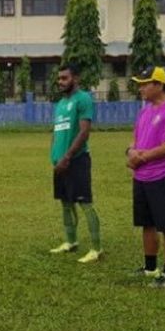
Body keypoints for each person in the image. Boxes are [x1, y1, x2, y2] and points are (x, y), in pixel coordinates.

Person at [127, 66, 165, 288]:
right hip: (141, 177)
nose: (141, 88)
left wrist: (140, 158)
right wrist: (131, 152)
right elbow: (135, 140)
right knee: (147, 224)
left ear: (159, 84)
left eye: (145, 83)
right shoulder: (145, 111)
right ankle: (150, 267)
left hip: (161, 176)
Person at [49, 64, 102, 263]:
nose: (60, 82)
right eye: (59, 78)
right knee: (65, 202)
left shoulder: (83, 99)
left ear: (76, 79)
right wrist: (54, 155)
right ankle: (71, 242)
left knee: (84, 203)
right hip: (59, 162)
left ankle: (96, 248)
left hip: (76, 160)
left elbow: (84, 131)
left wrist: (67, 157)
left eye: (64, 78)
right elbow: (56, 131)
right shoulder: (61, 103)